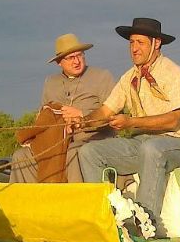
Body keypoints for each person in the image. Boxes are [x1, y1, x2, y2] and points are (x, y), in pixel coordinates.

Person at [77, 18, 180, 231]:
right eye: (131, 43)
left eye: (140, 42)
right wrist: (82, 122)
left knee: (151, 149)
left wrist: (130, 122)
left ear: (156, 44)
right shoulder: (128, 77)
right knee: (89, 152)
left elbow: (174, 120)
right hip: (141, 142)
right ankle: (104, 218)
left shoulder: (173, 72)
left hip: (175, 144)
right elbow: (105, 111)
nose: (134, 48)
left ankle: (147, 222)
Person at [9, 33, 115, 183]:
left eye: (79, 55)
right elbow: (43, 118)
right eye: (70, 58)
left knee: (73, 153)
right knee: (20, 157)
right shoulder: (51, 83)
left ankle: (75, 203)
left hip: (92, 139)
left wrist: (82, 116)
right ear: (59, 62)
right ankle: (28, 204)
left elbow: (114, 115)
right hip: (56, 142)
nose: (77, 61)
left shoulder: (102, 77)